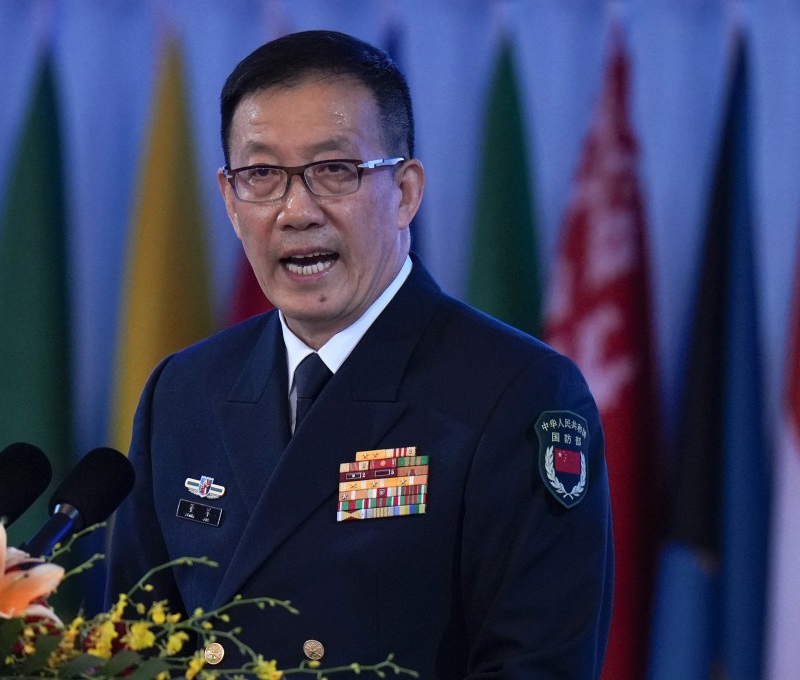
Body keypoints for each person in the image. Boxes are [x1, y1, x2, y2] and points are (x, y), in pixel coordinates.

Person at [106, 29, 613, 678]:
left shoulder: (518, 393)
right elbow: (133, 649)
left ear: (404, 192)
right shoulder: (183, 390)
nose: (296, 210)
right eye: (262, 175)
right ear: (231, 201)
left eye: (334, 171)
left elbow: (537, 667)